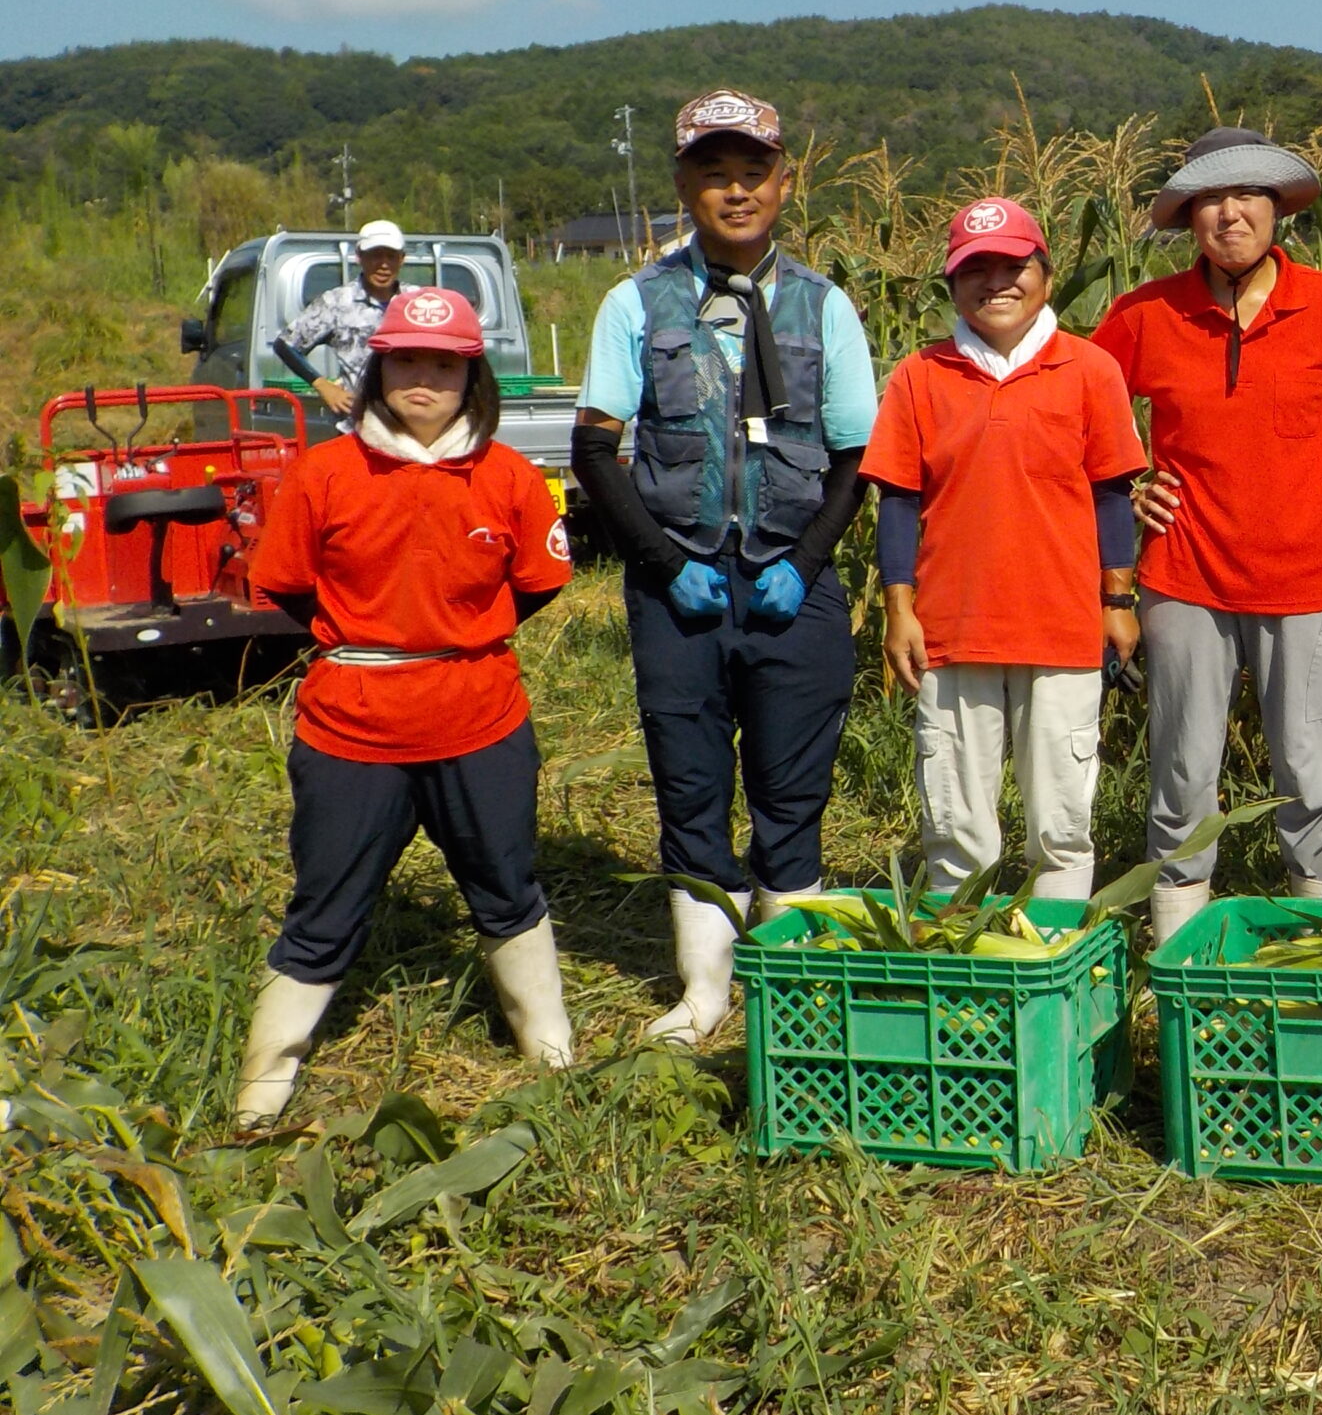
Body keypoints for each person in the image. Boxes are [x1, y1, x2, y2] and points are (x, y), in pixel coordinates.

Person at [569, 90, 878, 1047]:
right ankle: (705, 994)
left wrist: (808, 562)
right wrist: (662, 563)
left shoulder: (825, 306)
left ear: (785, 183)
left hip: (794, 583)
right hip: (681, 589)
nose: (735, 191)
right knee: (690, 783)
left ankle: (786, 988)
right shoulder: (636, 301)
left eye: (753, 173)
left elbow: (855, 456)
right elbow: (594, 448)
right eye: (714, 174)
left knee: (793, 789)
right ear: (683, 186)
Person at [236, 288, 576, 1127]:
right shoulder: (324, 473)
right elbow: (284, 584)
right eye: (406, 360)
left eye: (444, 363)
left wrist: (452, 642)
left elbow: (536, 583)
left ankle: (551, 1050)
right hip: (352, 723)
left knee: (505, 884)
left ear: (472, 376)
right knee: (325, 901)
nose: (423, 377)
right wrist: (376, 643)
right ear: (377, 367)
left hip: (478, 717)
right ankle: (263, 1083)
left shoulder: (510, 478)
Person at [1091, 128, 1322, 939]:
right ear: (1190, 219)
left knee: (1309, 771)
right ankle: (1177, 957)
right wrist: (1130, 484)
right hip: (1184, 576)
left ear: (1277, 212)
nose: (1229, 215)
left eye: (1246, 198)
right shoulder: (1144, 314)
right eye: (1210, 201)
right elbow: (1080, 410)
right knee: (1183, 771)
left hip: (1304, 579)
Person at [863, 198, 1148, 898]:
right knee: (958, 824)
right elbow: (897, 500)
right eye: (975, 270)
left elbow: (1113, 494)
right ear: (953, 286)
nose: (997, 284)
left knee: (1061, 821)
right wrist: (899, 608)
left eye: (1014, 267)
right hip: (954, 628)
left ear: (1046, 275)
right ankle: (965, 973)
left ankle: (1052, 962)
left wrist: (1118, 600)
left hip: (1063, 624)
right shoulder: (919, 376)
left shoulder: (1090, 370)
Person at [272, 218, 409, 427]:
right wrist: (323, 386)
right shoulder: (336, 302)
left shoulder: (417, 301)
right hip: (358, 426)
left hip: (408, 426)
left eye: (391, 256)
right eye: (375, 256)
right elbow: (285, 344)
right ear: (359, 257)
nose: (383, 264)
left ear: (402, 259)